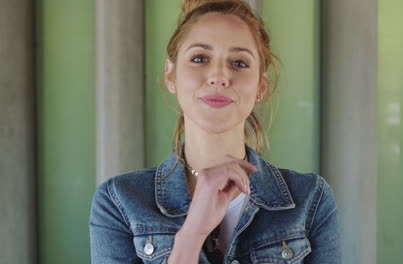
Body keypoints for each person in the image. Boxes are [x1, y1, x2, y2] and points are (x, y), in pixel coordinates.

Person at [89, 0, 342, 263]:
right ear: (171, 75)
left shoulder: (310, 199)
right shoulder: (119, 201)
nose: (219, 76)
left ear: (261, 86)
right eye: (200, 58)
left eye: (239, 63)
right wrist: (192, 232)